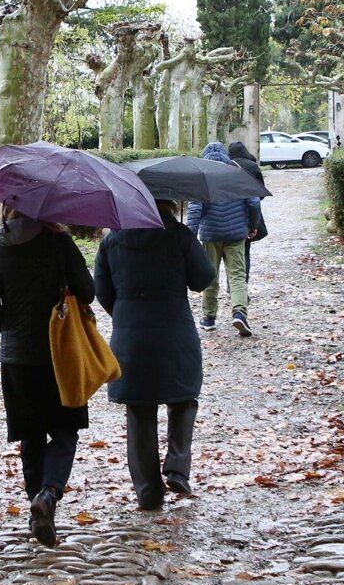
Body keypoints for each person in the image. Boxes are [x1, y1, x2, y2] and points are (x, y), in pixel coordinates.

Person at [0, 208, 96, 547]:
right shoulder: (58, 240)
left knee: (30, 437)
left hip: (16, 358)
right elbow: (87, 291)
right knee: (65, 429)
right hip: (61, 353)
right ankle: (49, 494)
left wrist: (10, 326)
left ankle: (37, 511)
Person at [94, 201, 216, 505]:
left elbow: (102, 291)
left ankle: (148, 491)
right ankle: (177, 467)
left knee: (139, 409)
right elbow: (203, 279)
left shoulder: (112, 239)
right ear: (169, 202)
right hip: (175, 332)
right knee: (184, 398)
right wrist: (186, 241)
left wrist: (125, 315)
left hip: (130, 337)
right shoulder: (179, 234)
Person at [186, 141, 261, 336]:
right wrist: (252, 225)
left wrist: (190, 236)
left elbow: (195, 209)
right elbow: (254, 203)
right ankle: (239, 313)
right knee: (237, 275)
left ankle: (209, 318)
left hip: (211, 235)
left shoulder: (202, 178)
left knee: (211, 275)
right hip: (236, 234)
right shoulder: (237, 174)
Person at [227, 140, 268, 283]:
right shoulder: (252, 166)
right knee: (245, 251)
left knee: (229, 252)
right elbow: (261, 193)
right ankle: (242, 284)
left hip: (229, 212)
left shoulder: (225, 166)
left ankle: (231, 283)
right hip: (248, 214)